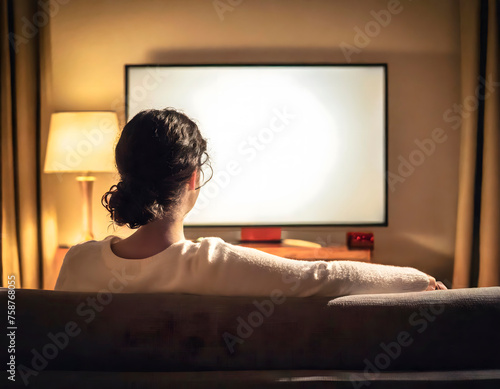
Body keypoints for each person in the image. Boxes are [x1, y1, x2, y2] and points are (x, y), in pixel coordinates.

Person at [55, 108, 447, 295]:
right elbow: (324, 276)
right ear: (194, 178)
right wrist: (420, 280)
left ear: (125, 173)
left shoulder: (79, 261)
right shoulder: (213, 264)